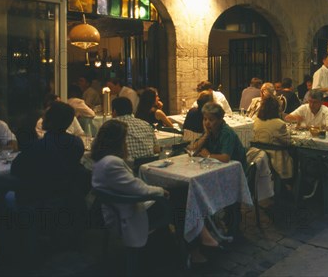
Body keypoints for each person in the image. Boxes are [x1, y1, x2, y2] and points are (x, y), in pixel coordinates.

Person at [91, 120, 218, 263]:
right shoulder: (112, 163)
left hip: (124, 207)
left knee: (182, 193)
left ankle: (201, 236)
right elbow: (138, 189)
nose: (126, 143)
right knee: (182, 198)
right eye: (124, 139)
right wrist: (160, 191)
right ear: (117, 141)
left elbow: (131, 186)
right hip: (129, 214)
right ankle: (195, 246)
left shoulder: (101, 161)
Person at [11, 100, 88, 239]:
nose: (42, 118)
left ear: (51, 121)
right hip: (69, 194)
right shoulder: (76, 143)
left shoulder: (38, 147)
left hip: (42, 197)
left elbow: (16, 169)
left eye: (46, 116)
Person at [189, 102, 247, 170]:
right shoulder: (209, 131)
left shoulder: (226, 133)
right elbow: (193, 151)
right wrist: (206, 135)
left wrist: (208, 155)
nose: (207, 123)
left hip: (235, 169)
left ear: (220, 120)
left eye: (211, 120)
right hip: (217, 167)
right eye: (205, 119)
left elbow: (225, 158)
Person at [252, 97, 292, 179]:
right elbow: (288, 142)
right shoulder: (279, 124)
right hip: (275, 160)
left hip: (257, 156)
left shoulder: (256, 120)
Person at [111, 97, 158, 161]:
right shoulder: (145, 124)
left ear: (114, 111)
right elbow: (156, 149)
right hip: (146, 167)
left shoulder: (111, 125)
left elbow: (98, 148)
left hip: (125, 167)